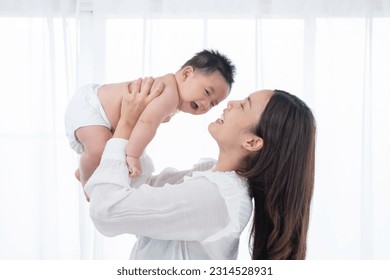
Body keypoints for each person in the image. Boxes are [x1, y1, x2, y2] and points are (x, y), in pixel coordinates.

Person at [84, 77, 316, 260]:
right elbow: (139, 186)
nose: (231, 104)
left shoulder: (218, 196)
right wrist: (138, 125)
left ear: (253, 142)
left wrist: (125, 124)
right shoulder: (211, 177)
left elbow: (106, 211)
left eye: (244, 106)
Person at [65, 49, 235, 187]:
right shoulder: (169, 94)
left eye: (213, 104)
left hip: (106, 121)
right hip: (92, 107)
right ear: (186, 74)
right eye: (206, 92)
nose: (206, 104)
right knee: (98, 150)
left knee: (109, 153)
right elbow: (147, 123)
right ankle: (85, 178)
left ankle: (86, 169)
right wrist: (133, 156)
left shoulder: (174, 100)